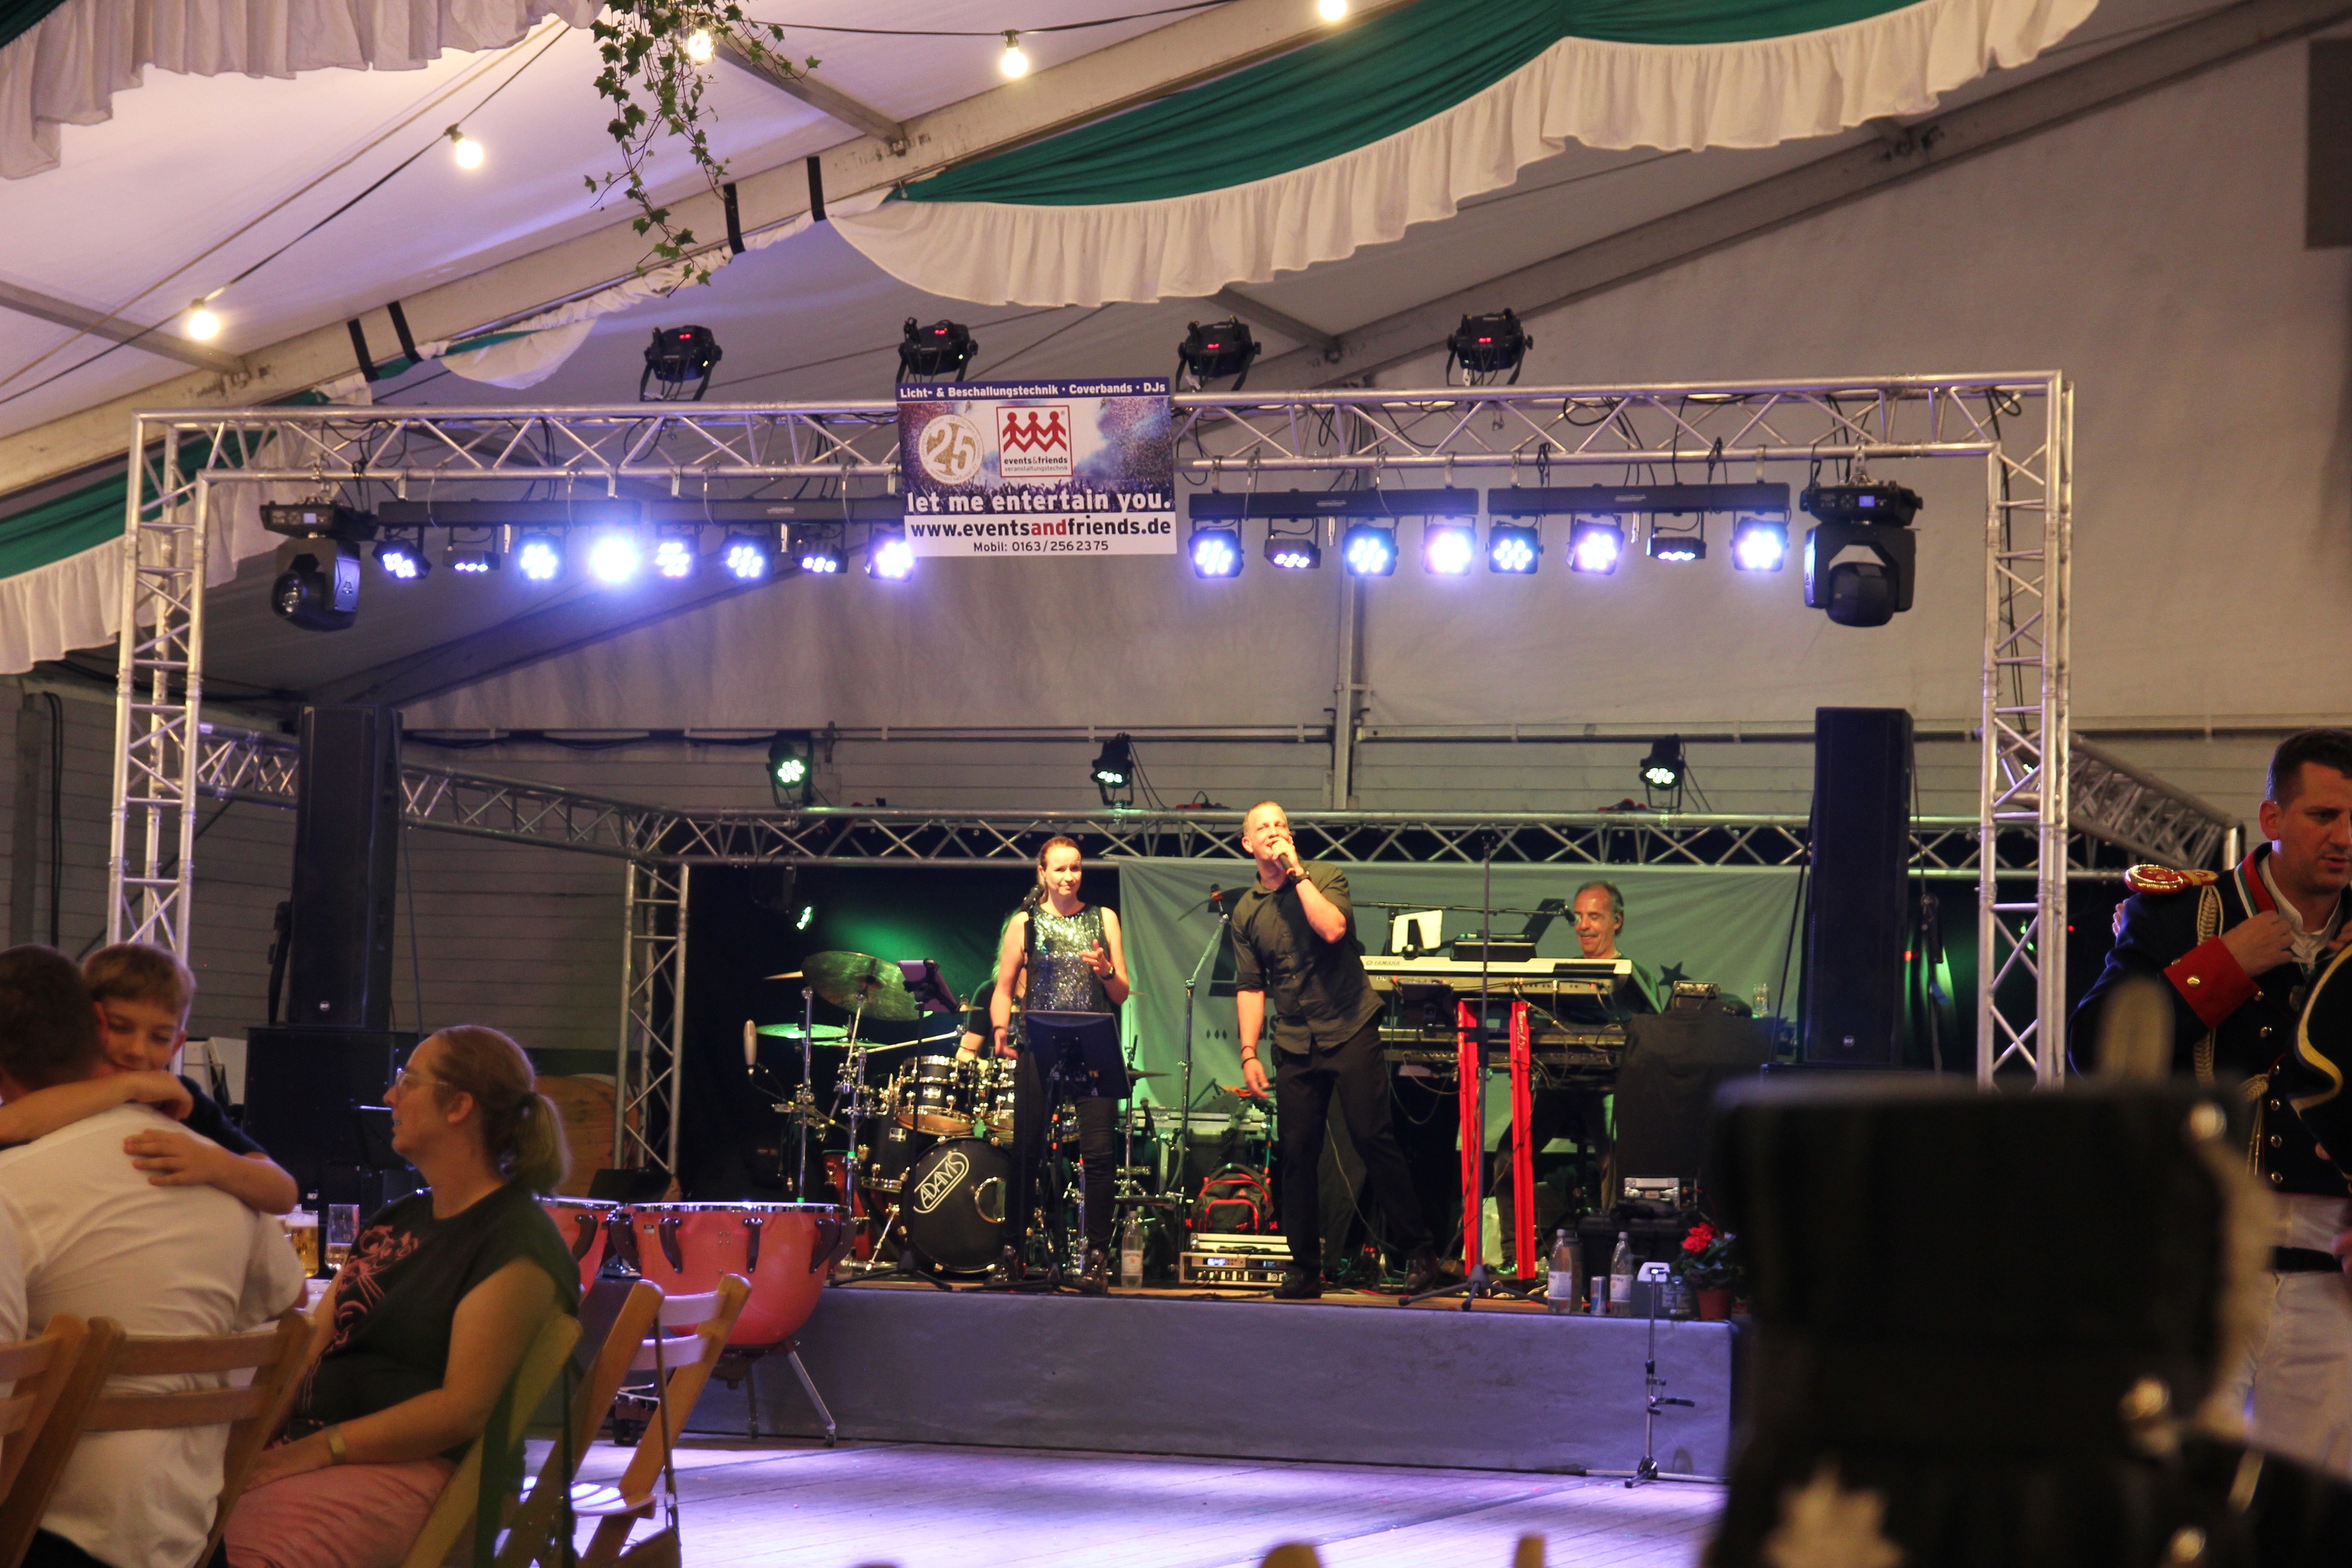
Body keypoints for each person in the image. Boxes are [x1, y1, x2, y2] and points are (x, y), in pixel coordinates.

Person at [2073, 727, 2352, 1476]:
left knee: (2319, 1497)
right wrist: (2222, 965)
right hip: (2201, 1254)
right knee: (2177, 1475)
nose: (2346, 838)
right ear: (2272, 818)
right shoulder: (2179, 916)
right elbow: (2096, 1051)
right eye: (2325, 816)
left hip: (2334, 1265)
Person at [223, 1025, 581, 1568]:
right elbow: (308, 1350)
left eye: (407, 1081)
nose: (390, 1096)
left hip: (429, 1473)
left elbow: (460, 1411)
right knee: (164, 1525)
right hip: (322, 1458)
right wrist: (244, 1452)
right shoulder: (399, 1217)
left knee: (236, 1553)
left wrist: (317, 1449)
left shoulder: (514, 1238)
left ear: (458, 1105)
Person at [0, 946, 304, 1568]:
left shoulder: (20, 1181)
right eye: (123, 1029)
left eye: (158, 1037)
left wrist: (217, 1164)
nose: (138, 1052)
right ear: (95, 1024)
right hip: (189, 1528)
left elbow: (282, 1188)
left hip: (53, 1528)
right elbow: (292, 1297)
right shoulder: (190, 1151)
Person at [1231, 801, 1440, 1299]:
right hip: (1294, 1039)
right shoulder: (1245, 911)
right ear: (1247, 844)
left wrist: (1296, 872)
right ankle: (1306, 1269)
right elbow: (1251, 986)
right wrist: (1248, 1052)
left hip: (1348, 1025)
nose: (1273, 832)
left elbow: (1332, 929)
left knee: (1372, 1138)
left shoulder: (1324, 876)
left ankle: (1419, 1252)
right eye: (1263, 827)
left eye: (1281, 825)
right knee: (1297, 1154)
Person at [982, 837, 1130, 1294]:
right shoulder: (1024, 922)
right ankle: (1012, 1253)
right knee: (1026, 1150)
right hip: (1040, 1039)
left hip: (1093, 1039)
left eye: (1076, 868)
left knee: (1099, 1154)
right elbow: (1003, 986)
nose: (1069, 876)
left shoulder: (1104, 917)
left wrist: (1105, 970)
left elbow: (1122, 992)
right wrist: (1000, 1027)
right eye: (1061, 869)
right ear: (1042, 873)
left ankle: (1096, 1259)